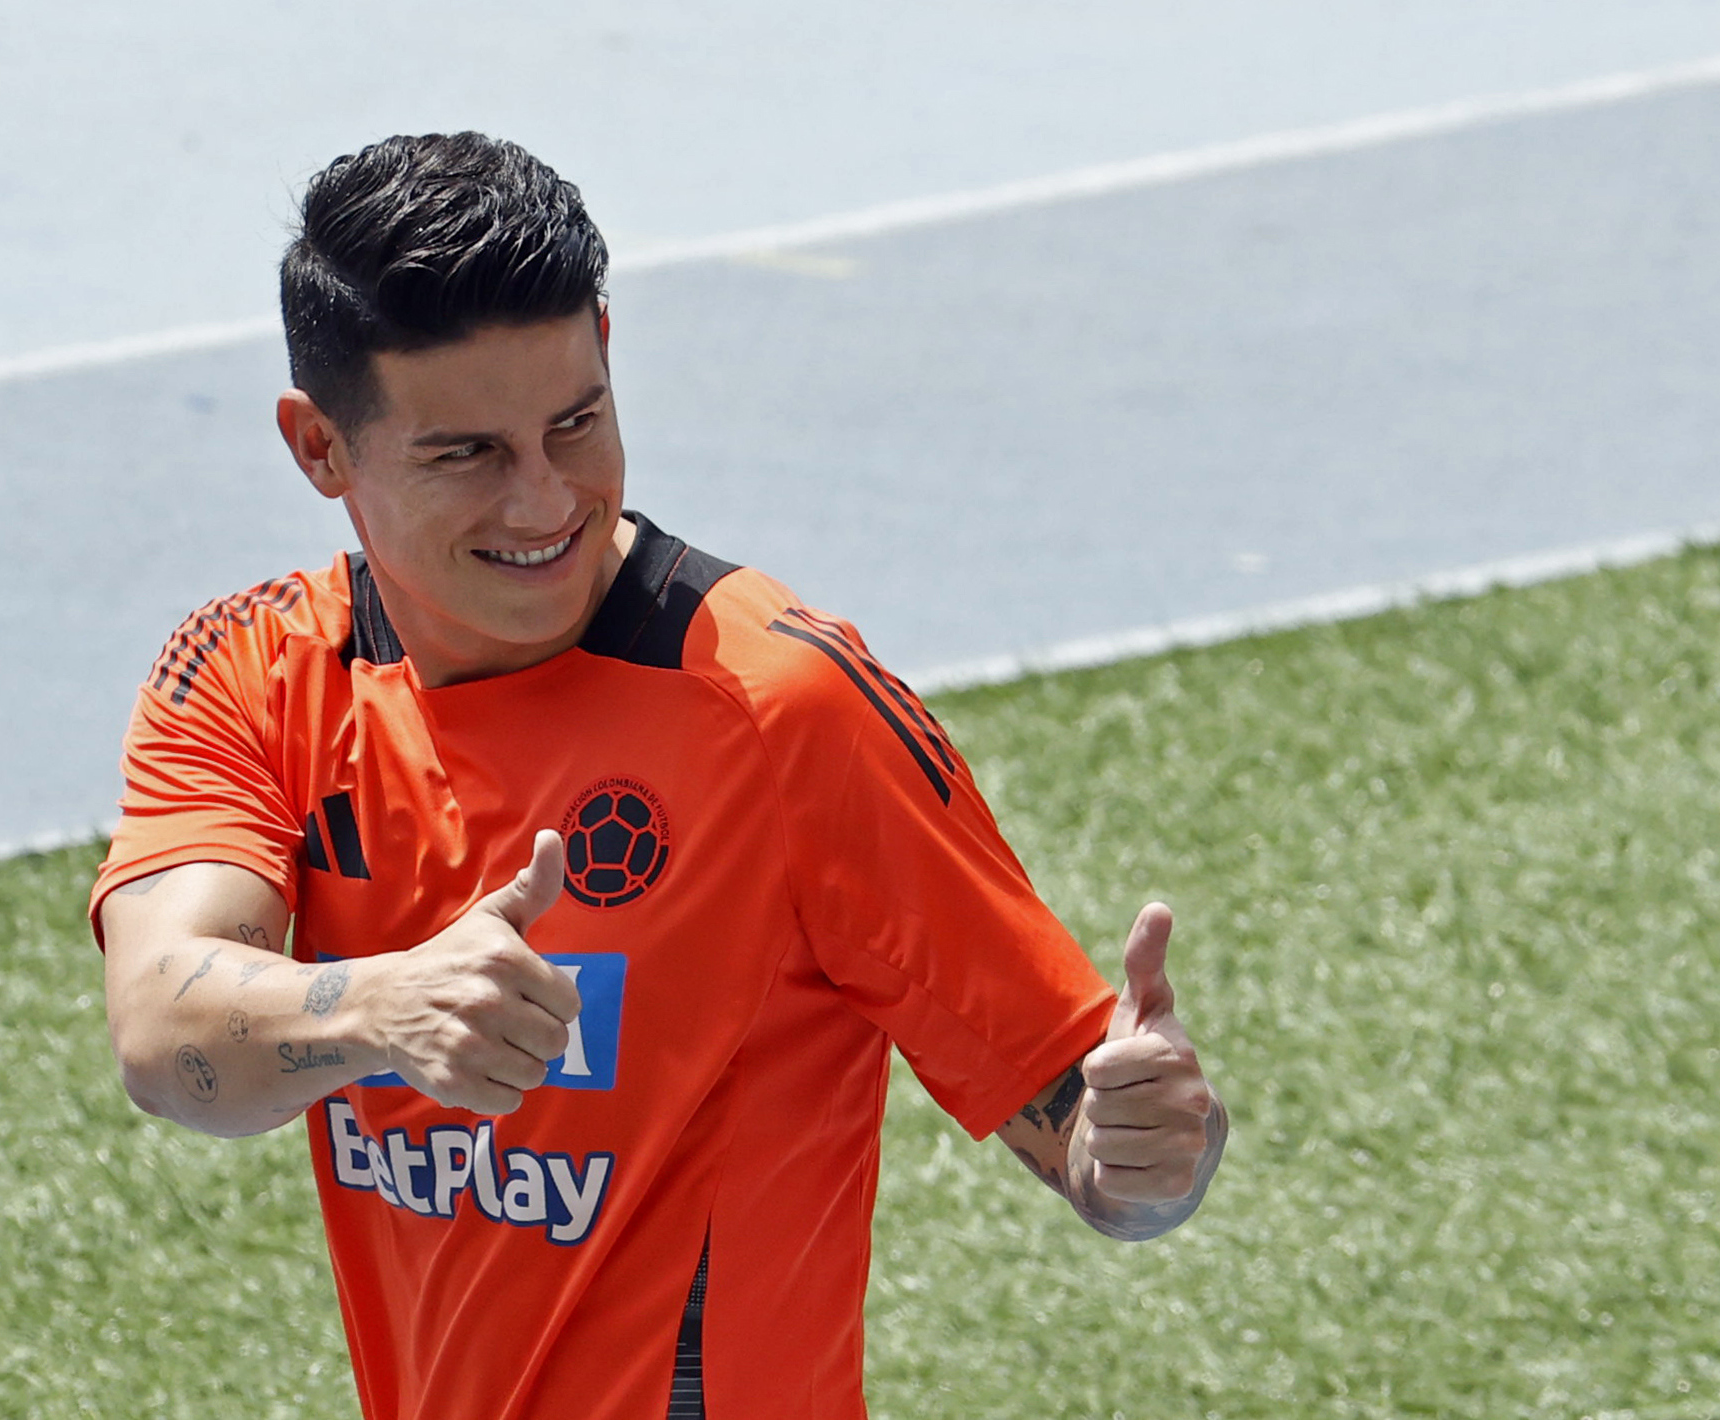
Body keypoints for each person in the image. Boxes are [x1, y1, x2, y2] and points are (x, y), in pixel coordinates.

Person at [89, 131, 1228, 1420]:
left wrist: (1152, 1152)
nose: (543, 503)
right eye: (466, 454)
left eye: (576, 423)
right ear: (320, 449)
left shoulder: (778, 707)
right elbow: (162, 1030)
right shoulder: (253, 673)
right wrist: (384, 1010)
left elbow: (1092, 1134)